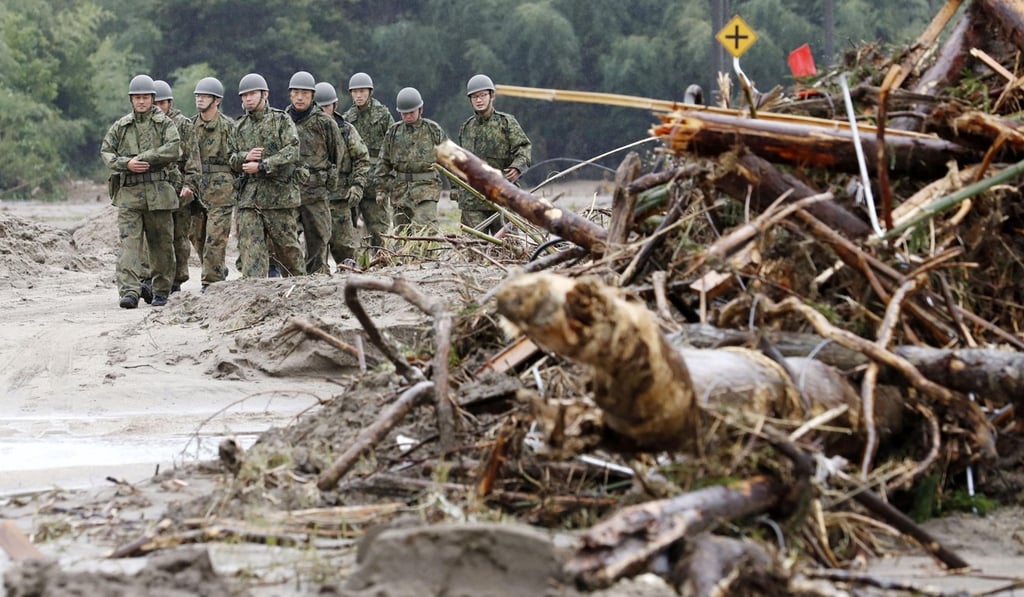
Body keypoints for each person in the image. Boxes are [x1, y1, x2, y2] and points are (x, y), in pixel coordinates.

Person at [100, 74, 181, 309]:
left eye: (146, 97)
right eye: (137, 98)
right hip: (129, 194)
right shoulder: (121, 126)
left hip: (158, 193)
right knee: (129, 245)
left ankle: (161, 290)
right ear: (131, 99)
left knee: (161, 244)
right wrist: (127, 164)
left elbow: (174, 148)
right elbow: (107, 152)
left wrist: (145, 158)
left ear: (153, 99)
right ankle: (129, 292)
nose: (142, 102)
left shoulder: (165, 124)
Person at [228, 72, 306, 278]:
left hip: (279, 197)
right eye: (244, 96)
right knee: (250, 249)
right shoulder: (239, 127)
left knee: (288, 248)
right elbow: (231, 158)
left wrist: (263, 165)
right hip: (249, 199)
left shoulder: (281, 120)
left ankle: (299, 289)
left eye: (252, 94)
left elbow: (292, 151)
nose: (248, 99)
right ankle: (255, 293)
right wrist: (245, 157)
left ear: (265, 94)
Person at [456, 74, 532, 234]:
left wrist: (517, 168)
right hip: (472, 201)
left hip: (502, 196)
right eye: (475, 97)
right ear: (470, 100)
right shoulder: (466, 128)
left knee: (508, 248)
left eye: (483, 95)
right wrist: (456, 189)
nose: (479, 100)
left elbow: (524, 149)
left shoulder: (506, 123)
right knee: (473, 249)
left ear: (492, 96)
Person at [285, 71, 342, 275]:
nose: (300, 97)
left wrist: (329, 182)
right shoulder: (282, 120)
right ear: (290, 95)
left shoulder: (324, 123)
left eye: (305, 93)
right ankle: (291, 276)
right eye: (296, 93)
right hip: (288, 192)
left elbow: (337, 155)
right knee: (285, 238)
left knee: (318, 239)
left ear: (312, 96)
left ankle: (317, 278)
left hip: (316, 192)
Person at [315, 81, 370, 269]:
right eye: (319, 107)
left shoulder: (346, 131)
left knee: (345, 248)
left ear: (335, 106)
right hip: (313, 198)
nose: (323, 111)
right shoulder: (305, 130)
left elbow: (362, 159)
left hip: (340, 198)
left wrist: (357, 185)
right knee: (315, 250)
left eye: (326, 107)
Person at [153, 80, 202, 292]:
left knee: (179, 236)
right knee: (157, 236)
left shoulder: (182, 124)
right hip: (155, 188)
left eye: (162, 103)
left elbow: (193, 158)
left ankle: (178, 277)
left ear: (169, 103)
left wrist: (190, 184)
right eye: (155, 103)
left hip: (179, 186)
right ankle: (157, 278)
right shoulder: (148, 124)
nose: (158, 107)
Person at [376, 87, 447, 229]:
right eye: (404, 113)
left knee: (426, 229)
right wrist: (381, 189)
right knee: (401, 233)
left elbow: (450, 160)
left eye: (411, 112)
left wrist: (456, 187)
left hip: (426, 188)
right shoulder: (393, 132)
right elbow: (384, 162)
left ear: (420, 109)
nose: (408, 116)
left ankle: (427, 252)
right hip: (400, 191)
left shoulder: (433, 130)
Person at [190, 76, 236, 290]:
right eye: (198, 95)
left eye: (205, 96)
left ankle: (211, 281)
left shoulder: (228, 127)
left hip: (222, 190)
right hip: (197, 188)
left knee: (215, 238)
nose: (200, 99)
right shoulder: (191, 126)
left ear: (216, 100)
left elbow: (237, 157)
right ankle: (216, 268)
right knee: (196, 235)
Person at [342, 72, 394, 253]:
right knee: (349, 230)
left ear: (370, 92)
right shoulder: (348, 118)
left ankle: (383, 261)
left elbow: (391, 148)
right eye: (355, 92)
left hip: (376, 181)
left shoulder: (383, 115)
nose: (358, 95)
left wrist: (386, 183)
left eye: (362, 91)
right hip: (356, 181)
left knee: (379, 229)